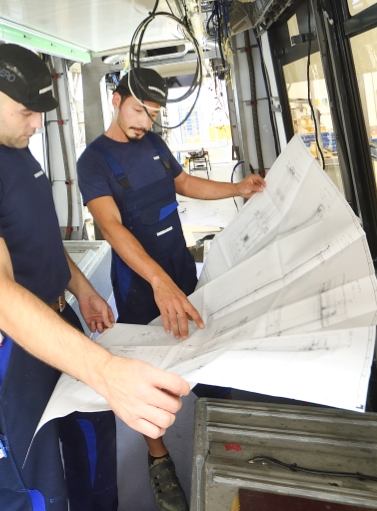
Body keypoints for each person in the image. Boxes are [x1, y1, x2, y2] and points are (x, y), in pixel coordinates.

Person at [0, 45, 191, 511]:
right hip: (9, 346)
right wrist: (105, 370)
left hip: (58, 314)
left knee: (93, 437)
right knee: (38, 482)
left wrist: (82, 289)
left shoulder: (21, 154)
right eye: (28, 113)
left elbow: (42, 240)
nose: (36, 125)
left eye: (40, 114)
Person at [76, 68, 266, 511]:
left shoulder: (155, 145)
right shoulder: (94, 161)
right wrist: (157, 282)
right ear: (116, 99)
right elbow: (111, 227)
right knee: (153, 373)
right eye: (139, 110)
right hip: (141, 283)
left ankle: (226, 442)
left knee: (205, 350)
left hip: (181, 268)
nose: (145, 122)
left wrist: (238, 188)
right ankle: (158, 458)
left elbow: (183, 183)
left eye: (153, 114)